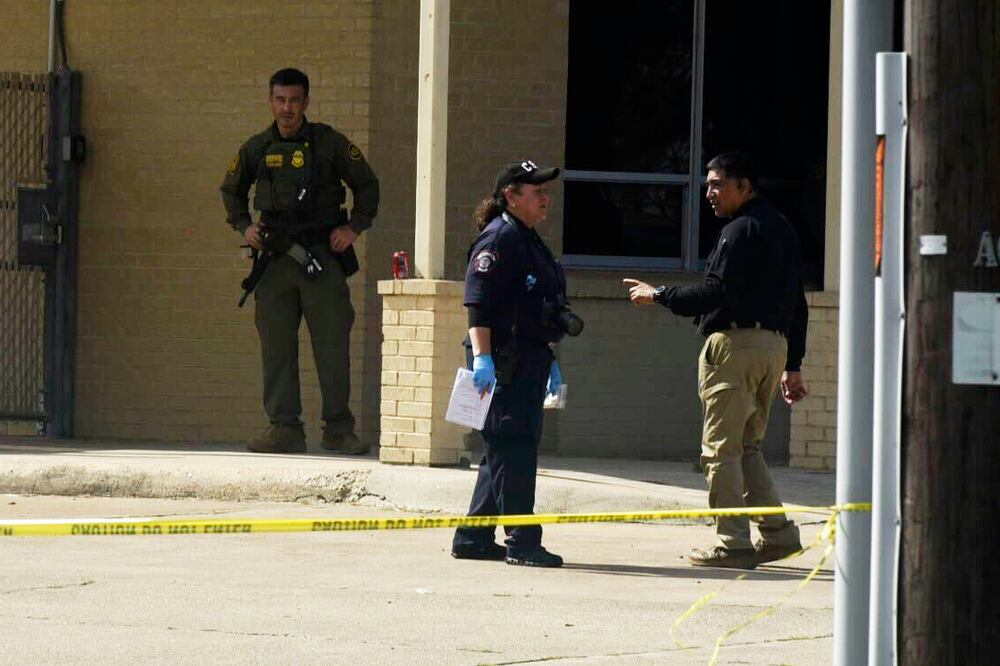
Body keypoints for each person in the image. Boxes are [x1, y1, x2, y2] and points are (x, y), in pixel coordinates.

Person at [624, 151, 808, 570]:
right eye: (707, 184)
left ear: (744, 186)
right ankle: (778, 536)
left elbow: (714, 291)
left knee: (720, 451)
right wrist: (792, 363)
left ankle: (732, 543)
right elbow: (798, 304)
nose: (709, 192)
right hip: (773, 348)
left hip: (735, 346)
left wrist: (659, 295)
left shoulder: (739, 231)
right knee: (747, 448)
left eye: (717, 184)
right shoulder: (781, 229)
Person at [220, 68, 379, 455]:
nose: (287, 108)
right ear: (270, 101)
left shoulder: (329, 144)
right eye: (280, 100)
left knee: (332, 346)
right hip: (274, 262)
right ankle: (284, 428)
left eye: (294, 100)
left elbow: (367, 184)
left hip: (322, 258)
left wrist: (354, 228)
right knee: (276, 348)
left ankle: (338, 430)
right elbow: (231, 189)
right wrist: (244, 227)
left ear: (306, 102)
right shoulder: (257, 148)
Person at [451, 160, 582, 568]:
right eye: (536, 191)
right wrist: (484, 359)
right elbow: (479, 306)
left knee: (501, 449)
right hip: (505, 360)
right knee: (516, 448)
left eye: (546, 191)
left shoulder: (526, 238)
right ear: (511, 195)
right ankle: (522, 540)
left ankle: (473, 536)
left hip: (530, 356)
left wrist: (549, 355)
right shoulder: (499, 239)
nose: (545, 198)